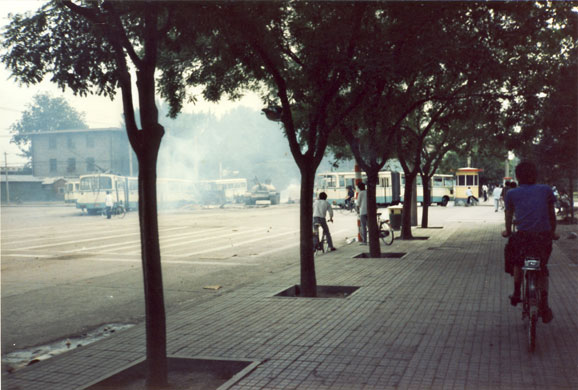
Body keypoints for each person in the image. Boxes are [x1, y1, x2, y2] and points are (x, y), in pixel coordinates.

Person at [502, 161, 557, 324]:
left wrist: (508, 231)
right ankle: (544, 304)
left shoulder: (511, 193)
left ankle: (517, 291)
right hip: (543, 237)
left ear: (518, 177)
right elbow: (551, 215)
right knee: (542, 268)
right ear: (535, 175)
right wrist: (552, 233)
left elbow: (508, 215)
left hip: (523, 237)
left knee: (518, 261)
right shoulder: (546, 190)